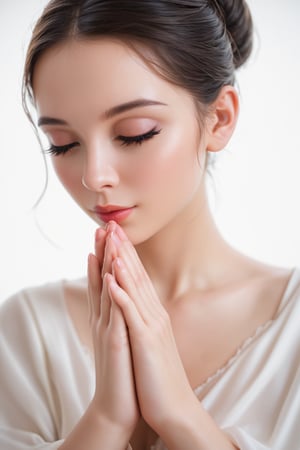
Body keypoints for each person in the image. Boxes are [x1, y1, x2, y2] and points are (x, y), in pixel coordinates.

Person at [0, 0, 299, 449]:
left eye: (135, 132)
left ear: (219, 118)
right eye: (63, 144)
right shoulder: (27, 333)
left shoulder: (290, 330)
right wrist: (105, 420)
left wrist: (179, 416)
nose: (94, 175)